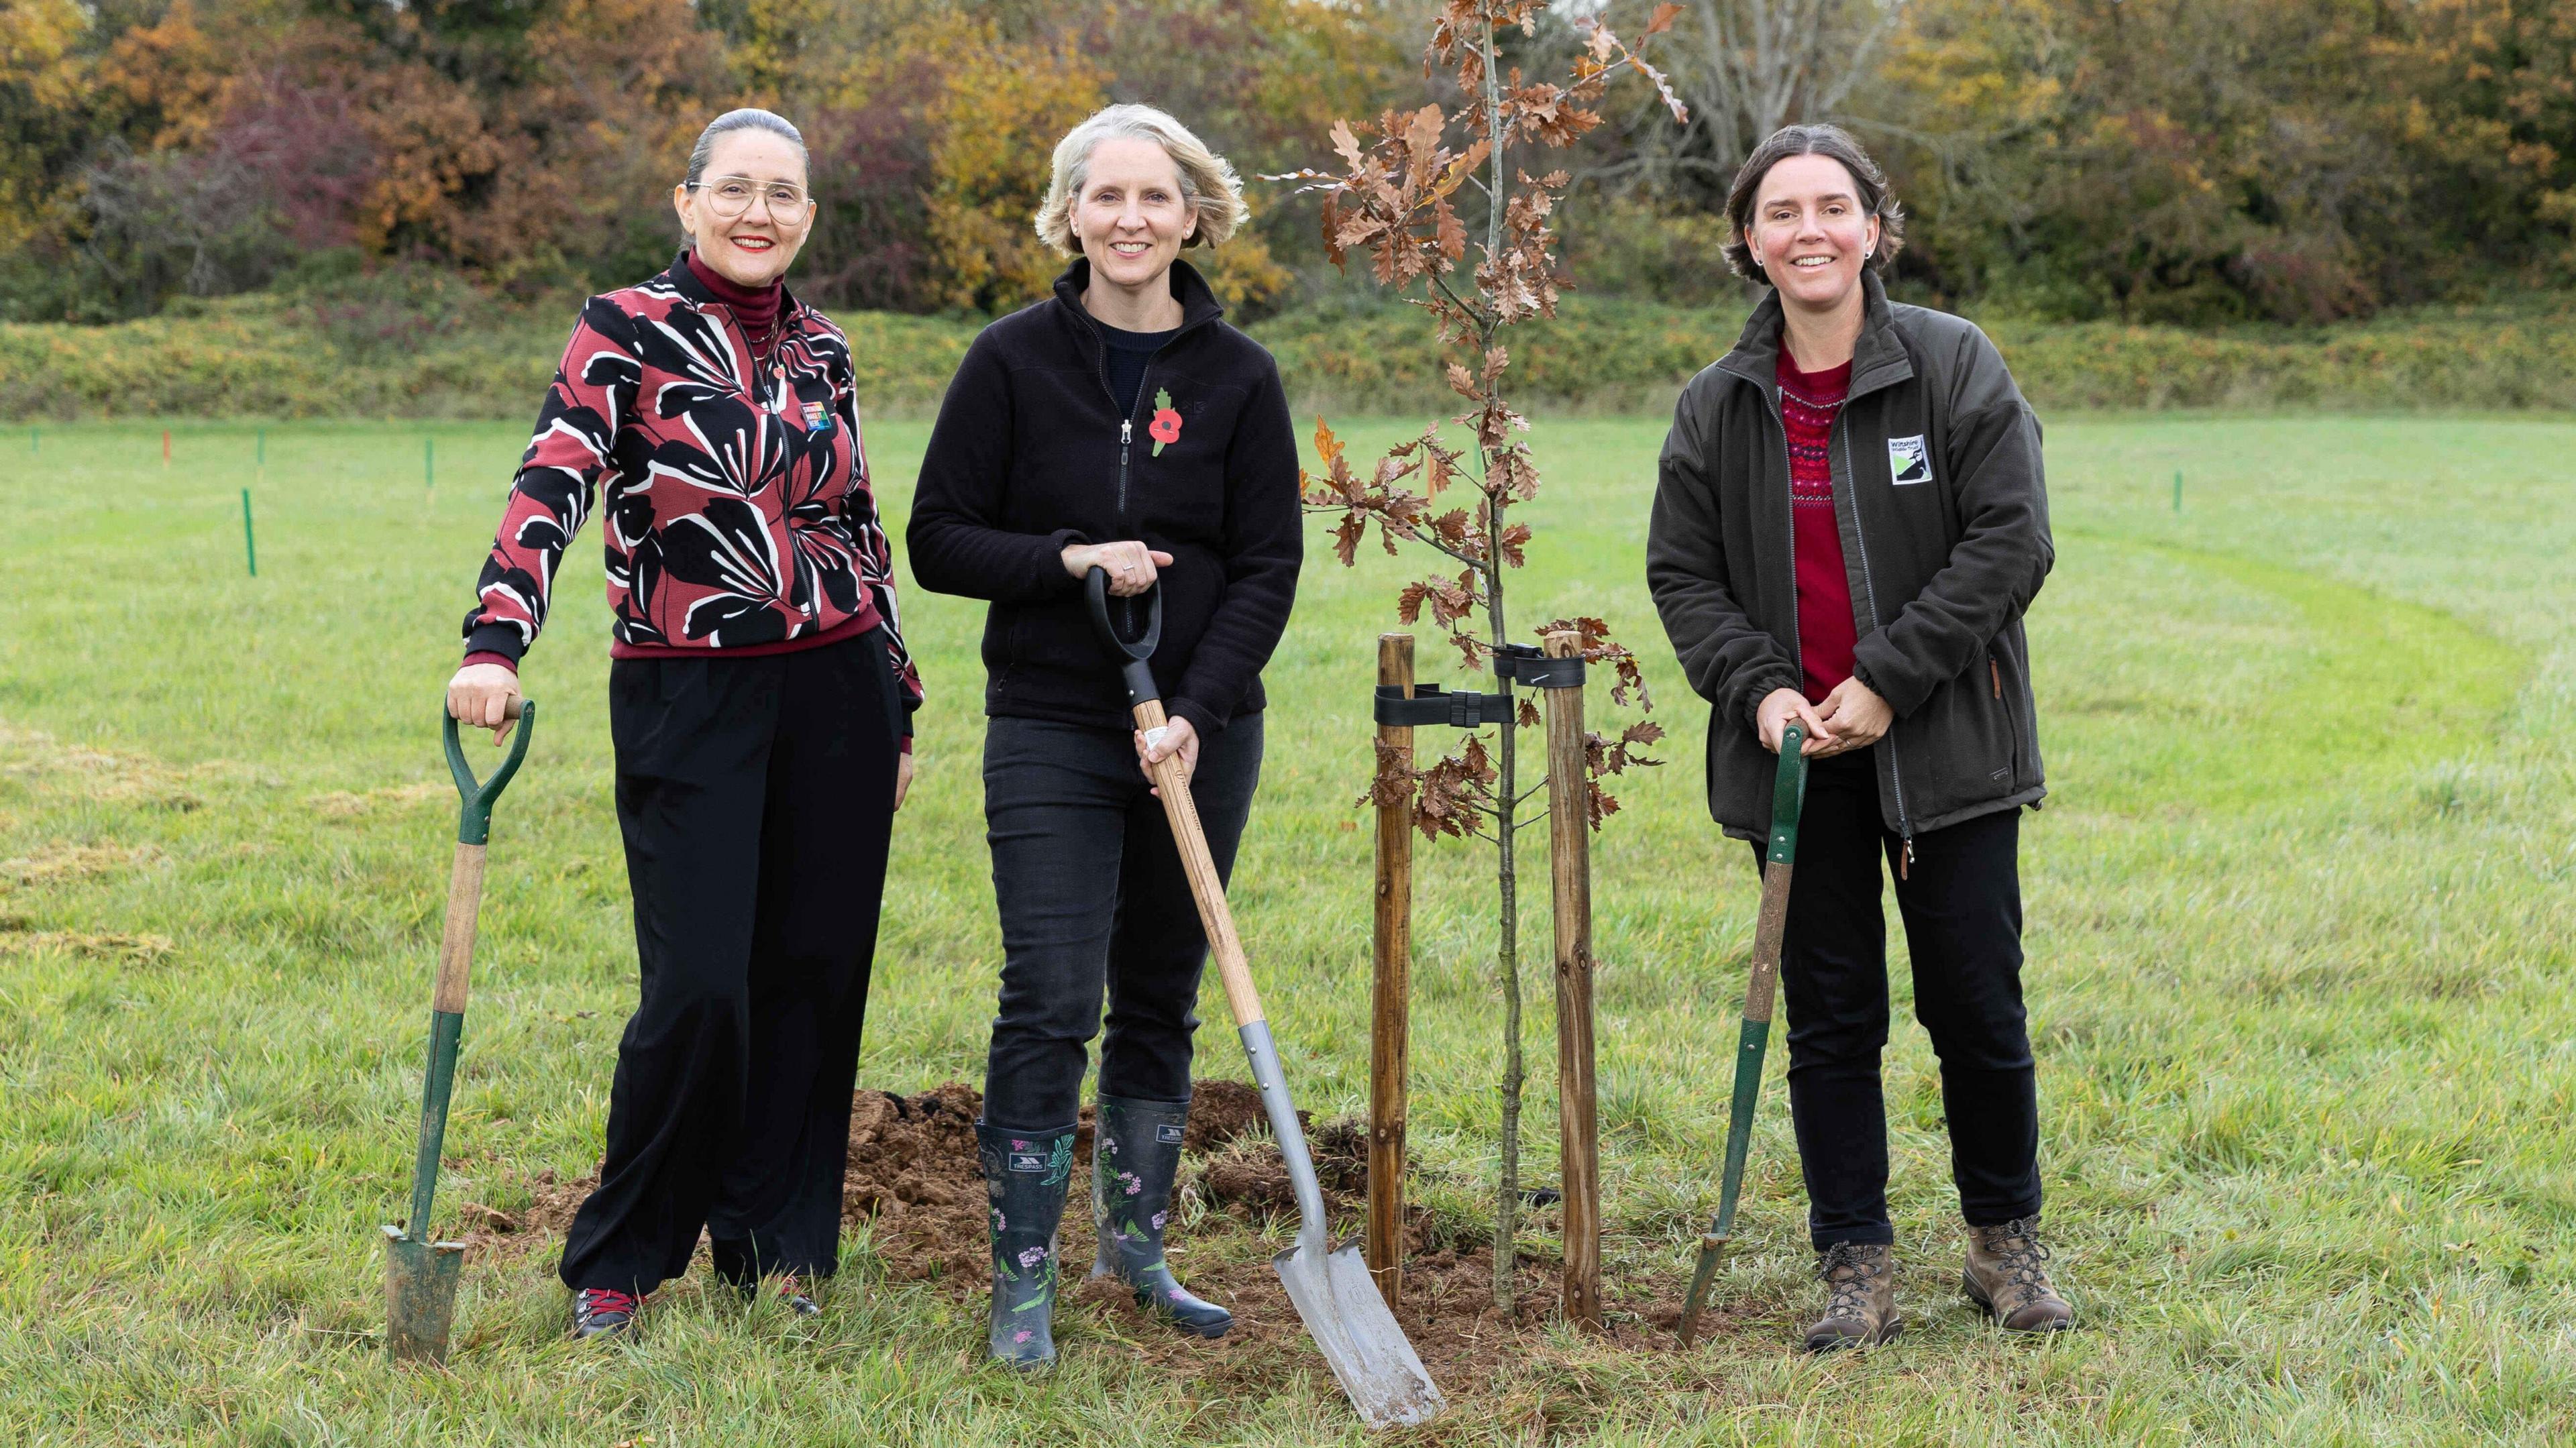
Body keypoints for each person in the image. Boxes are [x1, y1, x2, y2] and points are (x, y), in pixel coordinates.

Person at [445, 107, 920, 1339]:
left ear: (810, 216)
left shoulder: (826, 347)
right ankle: (623, 1254)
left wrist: (903, 698)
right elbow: (551, 476)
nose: (759, 212)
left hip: (839, 686)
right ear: (688, 199)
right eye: (736, 189)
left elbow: (858, 521)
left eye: (784, 194)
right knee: (698, 986)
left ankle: (776, 1250)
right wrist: (494, 642)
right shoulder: (626, 327)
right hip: (687, 688)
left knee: (813, 978)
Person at [1646, 123, 2072, 1352]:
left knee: (1978, 1007)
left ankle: (2004, 1245)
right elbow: (1684, 574)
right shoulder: (1719, 404)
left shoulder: (1951, 364)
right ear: (1749, 243)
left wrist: (1885, 680)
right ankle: (1857, 1264)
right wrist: (1760, 689)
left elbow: (2012, 541)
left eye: (1833, 208)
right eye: (1781, 213)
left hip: (1948, 749)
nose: (1809, 231)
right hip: (1799, 759)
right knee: (1832, 1019)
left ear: (1875, 229)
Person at [907, 103, 1299, 1371]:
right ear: (1071, 212)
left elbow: (1266, 566)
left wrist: (1196, 710)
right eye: (1106, 196)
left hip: (1199, 730)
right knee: (1052, 993)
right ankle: (1021, 1276)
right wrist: (1068, 557)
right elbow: (940, 539)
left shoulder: (1240, 377)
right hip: (1052, 724)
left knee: (1162, 992)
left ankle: (1135, 1247)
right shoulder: (1011, 362)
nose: (1131, 219)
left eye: (1157, 198)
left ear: (1196, 216)